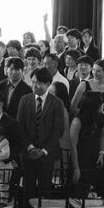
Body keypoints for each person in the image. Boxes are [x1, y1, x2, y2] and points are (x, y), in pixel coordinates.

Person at [17, 67, 66, 199]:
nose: (34, 85)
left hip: (47, 154)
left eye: (38, 83)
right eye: (32, 82)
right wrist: (30, 147)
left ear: (47, 84)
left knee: (45, 191)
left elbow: (58, 130)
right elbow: (20, 127)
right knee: (28, 189)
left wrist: (43, 150)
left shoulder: (57, 103)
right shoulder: (25, 100)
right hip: (28, 153)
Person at [69, 92, 104, 187]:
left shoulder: (100, 118)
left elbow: (102, 135)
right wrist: (76, 168)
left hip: (94, 157)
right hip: (80, 158)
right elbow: (73, 146)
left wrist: (101, 153)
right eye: (101, 103)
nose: (103, 105)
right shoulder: (77, 121)